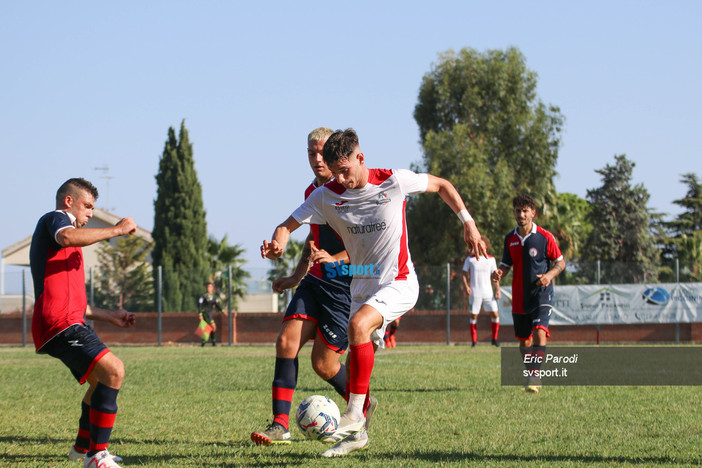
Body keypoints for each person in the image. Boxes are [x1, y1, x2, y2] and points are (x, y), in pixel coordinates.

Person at [261, 128, 485, 457]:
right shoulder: (326, 195)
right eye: (334, 172)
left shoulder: (393, 181)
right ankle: (358, 435)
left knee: (357, 327)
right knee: (347, 362)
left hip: (399, 281)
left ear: (360, 158)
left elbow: (442, 185)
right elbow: (287, 225)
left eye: (344, 170)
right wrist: (279, 242)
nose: (339, 178)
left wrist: (468, 221)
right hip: (360, 288)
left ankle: (352, 417)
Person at [252, 127, 378, 446]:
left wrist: (335, 258)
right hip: (315, 282)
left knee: (323, 364)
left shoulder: (351, 190)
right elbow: (308, 237)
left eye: (323, 152)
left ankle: (361, 404)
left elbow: (367, 246)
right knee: (285, 342)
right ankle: (280, 424)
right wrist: (293, 271)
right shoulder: (313, 191)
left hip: (344, 288)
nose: (317, 158)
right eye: (311, 153)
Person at [30, 178, 137, 468]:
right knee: (114, 370)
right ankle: (96, 455)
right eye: (87, 206)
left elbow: (78, 304)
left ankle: (81, 449)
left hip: (65, 322)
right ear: (69, 202)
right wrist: (116, 230)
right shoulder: (55, 221)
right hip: (59, 324)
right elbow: (65, 236)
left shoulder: (69, 246)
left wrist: (110, 316)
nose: (90, 214)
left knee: (99, 382)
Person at [491, 193, 565, 393]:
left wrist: (549, 275)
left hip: (541, 293)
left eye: (525, 211)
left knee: (540, 331)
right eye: (518, 211)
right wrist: (500, 272)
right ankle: (532, 372)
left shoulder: (544, 236)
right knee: (524, 341)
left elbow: (560, 262)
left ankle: (534, 376)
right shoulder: (510, 238)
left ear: (533, 213)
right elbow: (506, 264)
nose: (521, 214)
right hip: (520, 296)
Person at [461, 236, 501, 347]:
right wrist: (466, 286)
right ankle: (474, 341)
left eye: (482, 244)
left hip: (488, 292)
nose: (480, 246)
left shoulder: (491, 259)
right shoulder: (470, 259)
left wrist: (497, 289)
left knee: (495, 314)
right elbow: (463, 274)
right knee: (474, 316)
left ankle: (494, 339)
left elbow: (495, 276)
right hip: (475, 292)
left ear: (486, 246)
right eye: (478, 244)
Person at [198, 282, 223, 346]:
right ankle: (212, 342)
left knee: (210, 328)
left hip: (210, 313)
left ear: (212, 288)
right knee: (213, 326)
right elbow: (200, 305)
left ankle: (206, 343)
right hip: (206, 313)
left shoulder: (214, 297)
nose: (208, 288)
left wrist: (223, 311)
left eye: (210, 287)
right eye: (207, 287)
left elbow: (217, 305)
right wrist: (200, 314)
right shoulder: (204, 296)